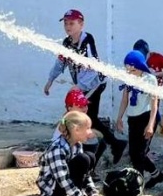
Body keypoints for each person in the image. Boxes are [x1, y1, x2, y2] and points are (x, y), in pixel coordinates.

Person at [44, 9, 127, 164]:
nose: (68, 27)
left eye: (72, 23)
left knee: (88, 117)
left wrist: (78, 86)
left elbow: (92, 66)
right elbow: (60, 63)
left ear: (81, 24)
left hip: (95, 83)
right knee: (90, 117)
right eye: (66, 24)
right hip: (83, 85)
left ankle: (110, 145)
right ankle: (111, 144)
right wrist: (50, 80)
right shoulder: (67, 43)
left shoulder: (87, 40)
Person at [37, 111, 107, 196]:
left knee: (89, 157)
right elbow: (63, 179)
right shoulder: (57, 149)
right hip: (52, 188)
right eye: (87, 128)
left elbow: (86, 175)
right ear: (76, 130)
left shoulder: (77, 145)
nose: (90, 132)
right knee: (83, 159)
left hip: (67, 184)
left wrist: (94, 195)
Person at [115, 50, 163, 188]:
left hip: (146, 117)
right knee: (133, 152)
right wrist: (119, 117)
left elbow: (154, 103)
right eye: (127, 66)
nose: (129, 69)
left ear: (139, 65)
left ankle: (138, 184)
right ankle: (156, 175)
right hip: (133, 118)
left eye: (132, 66)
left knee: (140, 153)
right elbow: (125, 99)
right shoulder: (128, 78)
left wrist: (150, 125)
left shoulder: (150, 79)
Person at [52, 88, 105, 178]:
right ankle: (81, 174)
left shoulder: (74, 117)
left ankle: (87, 172)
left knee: (99, 144)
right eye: (80, 106)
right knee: (90, 148)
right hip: (62, 160)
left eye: (85, 105)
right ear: (70, 108)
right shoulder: (68, 121)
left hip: (71, 152)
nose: (84, 108)